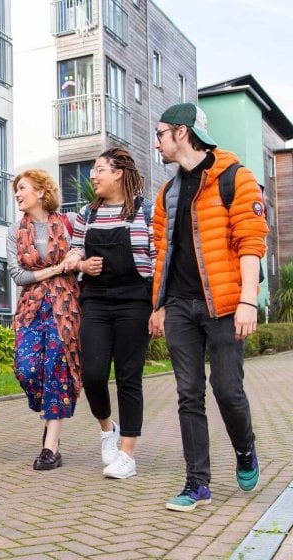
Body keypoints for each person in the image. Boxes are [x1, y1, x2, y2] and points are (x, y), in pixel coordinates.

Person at [148, 103, 268, 512]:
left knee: (227, 390)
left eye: (161, 132)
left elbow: (251, 243)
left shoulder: (237, 178)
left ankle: (245, 449)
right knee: (188, 393)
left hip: (226, 303)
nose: (157, 140)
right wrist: (159, 305)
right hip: (181, 305)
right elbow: (163, 252)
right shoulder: (168, 192)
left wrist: (248, 300)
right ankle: (197, 483)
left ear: (181, 133)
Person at [62, 148, 155, 480]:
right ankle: (107, 428)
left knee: (129, 376)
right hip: (97, 299)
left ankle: (127, 455)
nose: (93, 176)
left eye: (99, 170)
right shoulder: (87, 213)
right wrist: (82, 263)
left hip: (135, 299)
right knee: (93, 374)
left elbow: (159, 259)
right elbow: (73, 254)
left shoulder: (146, 210)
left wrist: (159, 307)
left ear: (118, 173)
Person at [7, 169, 82, 470]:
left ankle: (51, 445)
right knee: (26, 370)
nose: (17, 194)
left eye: (22, 188)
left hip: (65, 306)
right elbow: (18, 275)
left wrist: (76, 256)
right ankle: (50, 412)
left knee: (56, 369)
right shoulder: (14, 230)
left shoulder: (70, 223)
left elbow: (84, 249)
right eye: (16, 190)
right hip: (30, 307)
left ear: (40, 191)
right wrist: (57, 268)